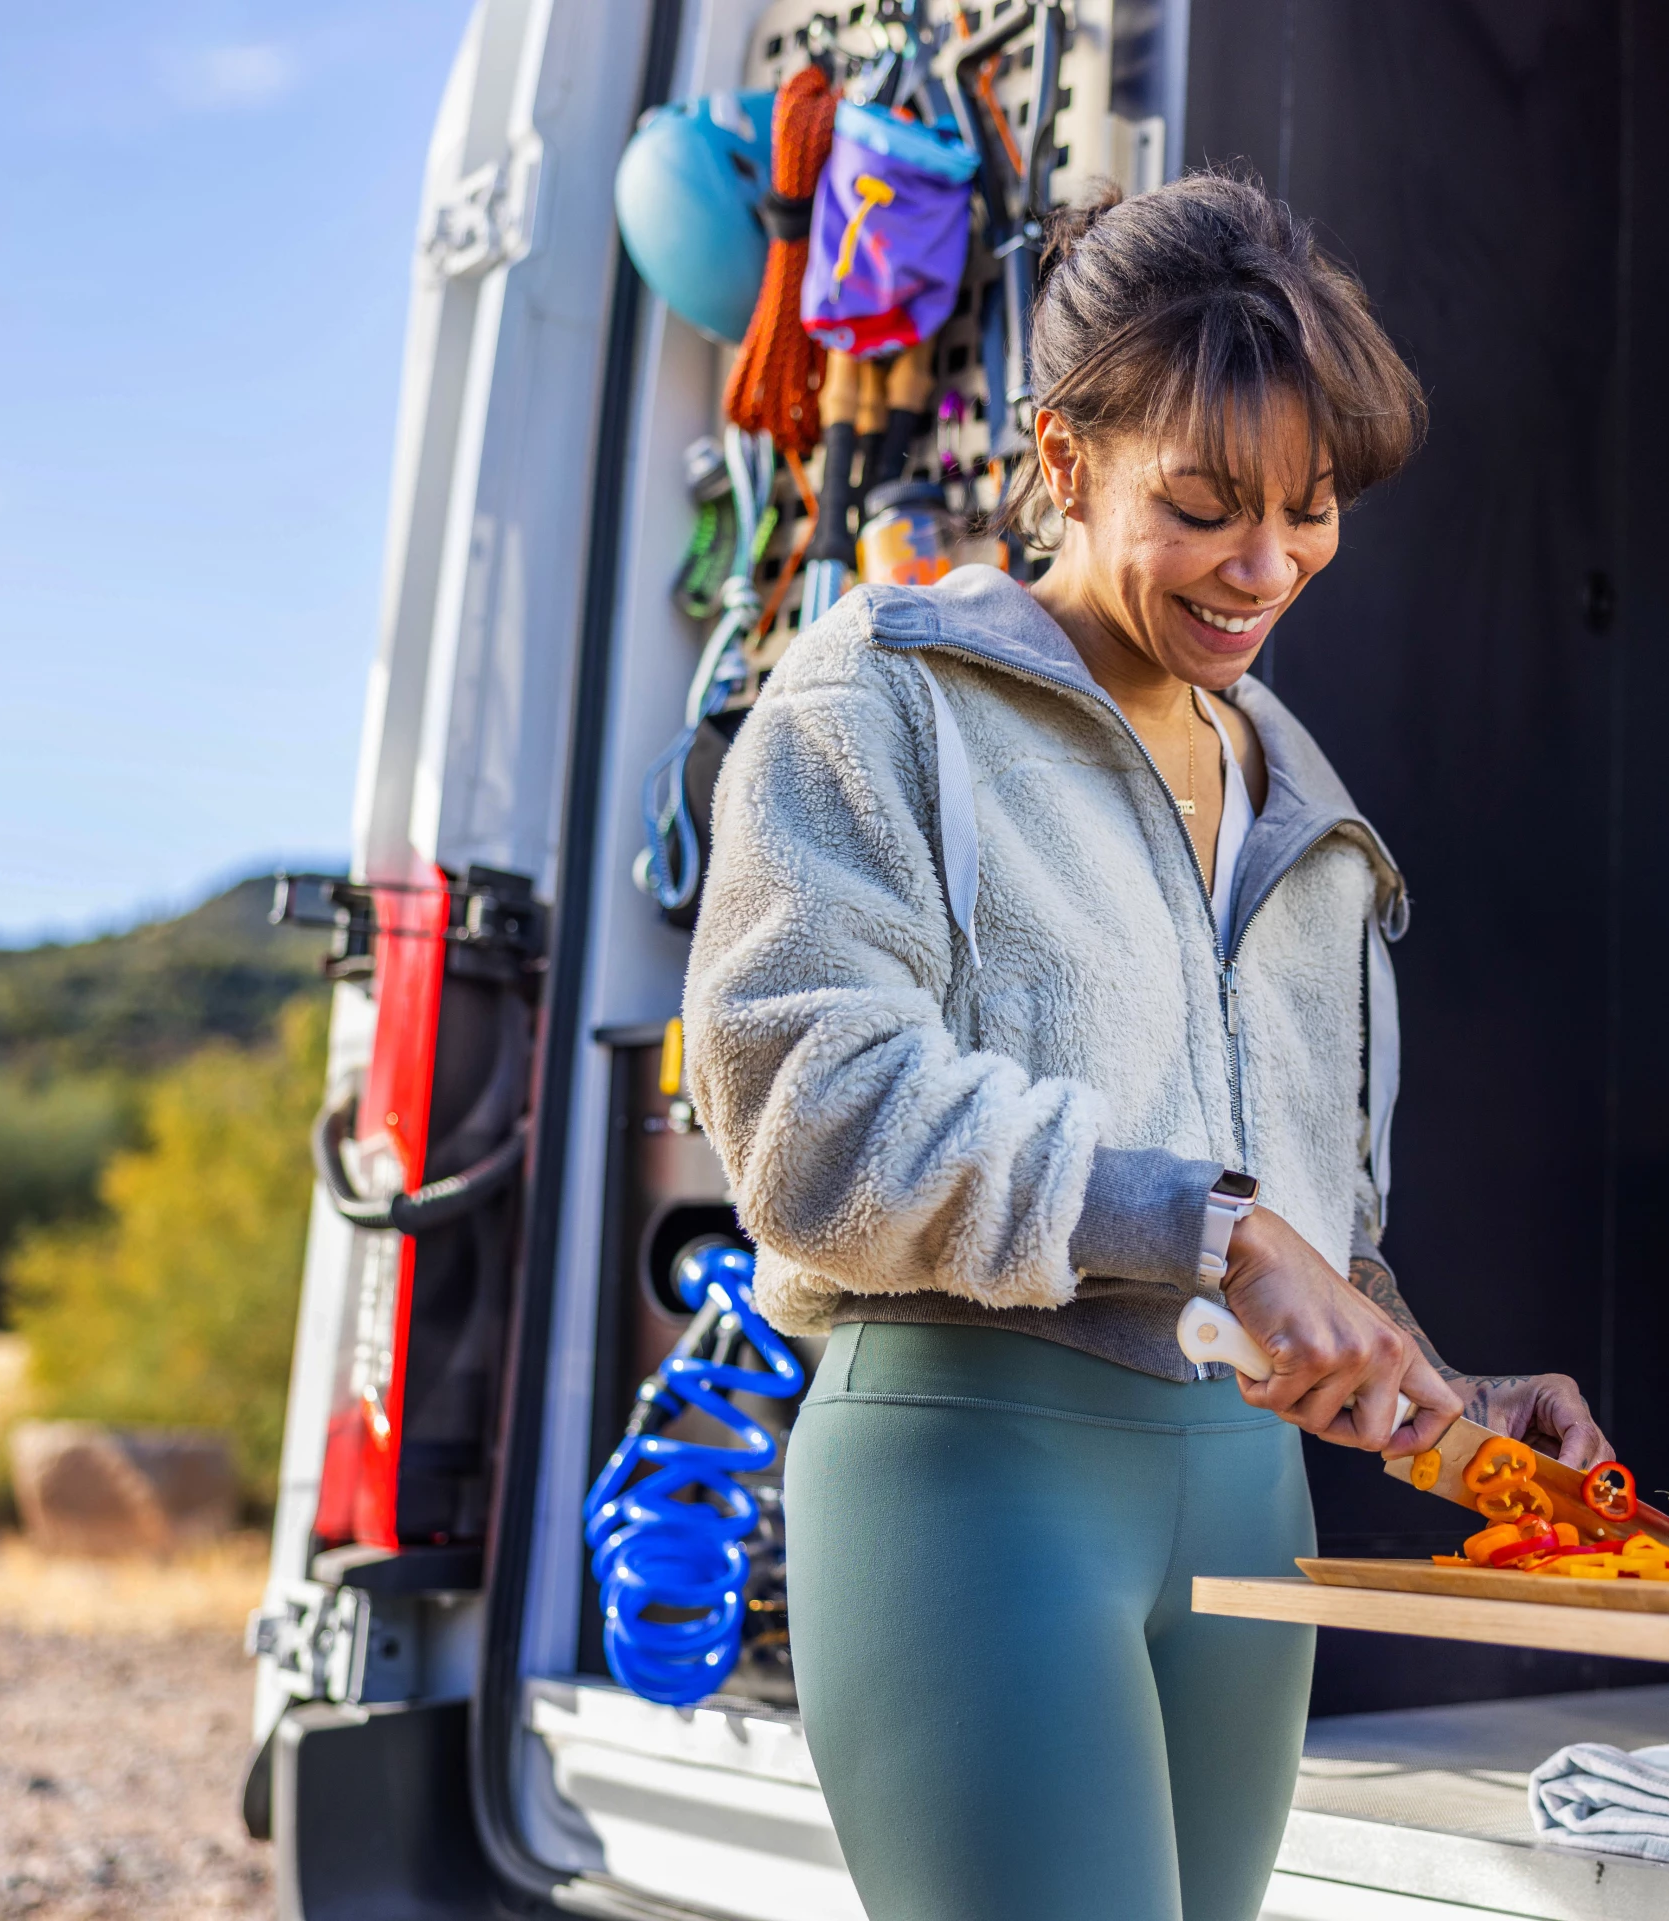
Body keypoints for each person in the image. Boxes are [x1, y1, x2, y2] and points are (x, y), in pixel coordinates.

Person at [683, 168, 1609, 1921]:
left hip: (1250, 1503)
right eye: (1202, 509)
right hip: (974, 1478)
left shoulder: (1301, 803)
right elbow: (810, 1120)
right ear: (1062, 457)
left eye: (1310, 514)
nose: (1265, 570)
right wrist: (1222, 1234)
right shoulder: (882, 700)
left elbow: (1296, 1221)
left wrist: (1440, 1401)